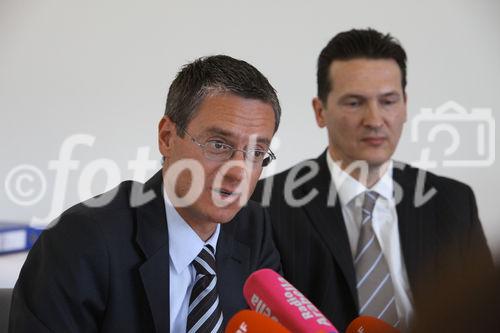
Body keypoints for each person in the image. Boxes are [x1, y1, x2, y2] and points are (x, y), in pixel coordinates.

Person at [9, 55, 282, 333]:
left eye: (257, 152)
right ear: (167, 138)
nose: (238, 173)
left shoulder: (254, 231)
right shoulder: (82, 240)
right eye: (218, 144)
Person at [252, 28, 493, 332]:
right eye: (354, 103)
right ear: (320, 111)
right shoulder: (266, 204)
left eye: (388, 101)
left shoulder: (453, 202)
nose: (375, 120)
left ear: (405, 105)